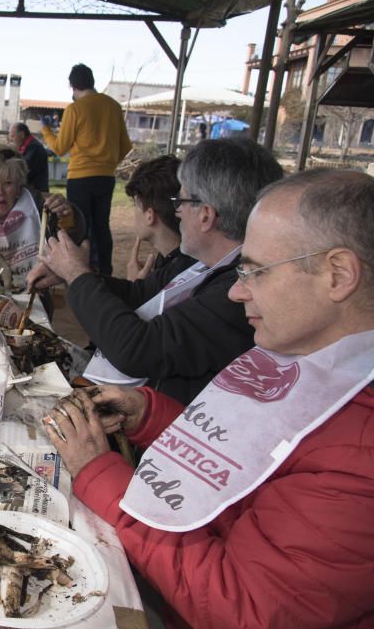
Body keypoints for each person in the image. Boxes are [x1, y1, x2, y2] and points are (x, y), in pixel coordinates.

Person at [42, 169, 374, 629]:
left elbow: (231, 601)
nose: (238, 292)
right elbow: (249, 462)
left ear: (338, 275)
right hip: (184, 571)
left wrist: (95, 470)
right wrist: (150, 416)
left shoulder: (360, 449)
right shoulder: (305, 354)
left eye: (256, 271)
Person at [27, 137, 283, 405]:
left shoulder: (239, 292)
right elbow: (139, 293)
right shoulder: (199, 264)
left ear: (206, 215)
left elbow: (138, 350)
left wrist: (78, 276)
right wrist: (70, 274)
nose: (177, 212)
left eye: (181, 201)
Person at [40, 63, 131, 275]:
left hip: (80, 176)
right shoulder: (114, 107)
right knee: (101, 226)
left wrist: (45, 129)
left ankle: (82, 271)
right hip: (106, 177)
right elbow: (125, 146)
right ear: (92, 81)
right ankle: (104, 271)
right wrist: (107, 163)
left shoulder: (75, 109)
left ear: (72, 85)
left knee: (81, 226)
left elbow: (60, 147)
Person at [0, 145, 85, 290]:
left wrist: (68, 216)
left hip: (34, 290)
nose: (0, 192)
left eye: (7, 183)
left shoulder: (40, 204)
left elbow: (73, 240)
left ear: (18, 187)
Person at [123, 155, 192, 281]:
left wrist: (136, 288)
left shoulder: (174, 277)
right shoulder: (186, 261)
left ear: (150, 215)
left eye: (135, 205)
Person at [8, 122, 49, 192]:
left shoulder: (35, 148)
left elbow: (22, 172)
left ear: (22, 135)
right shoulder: (28, 147)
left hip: (36, 194)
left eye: (12, 136)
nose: (10, 140)